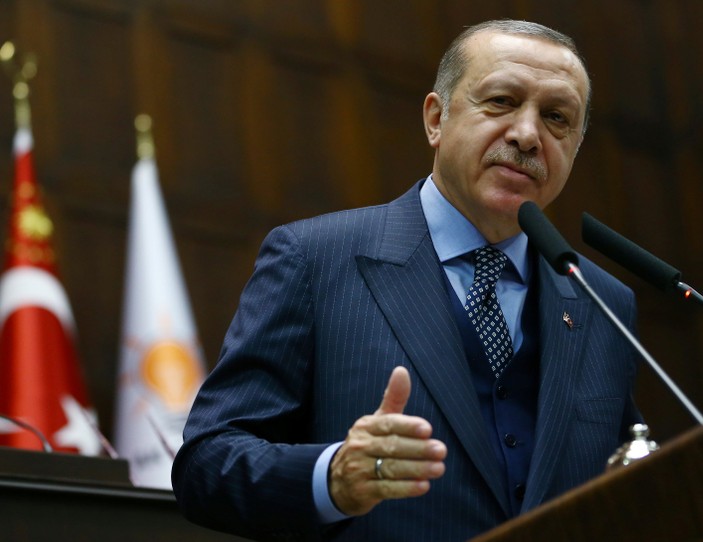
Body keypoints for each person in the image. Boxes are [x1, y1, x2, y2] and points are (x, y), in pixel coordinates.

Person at [172, 19, 642, 541]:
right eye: (502, 102)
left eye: (556, 117)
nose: (527, 135)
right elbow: (206, 464)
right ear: (436, 120)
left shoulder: (603, 302)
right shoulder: (315, 259)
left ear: (574, 148)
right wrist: (335, 478)